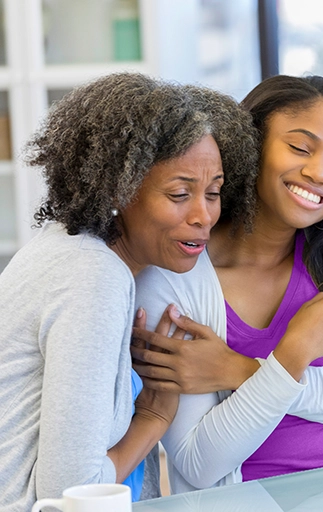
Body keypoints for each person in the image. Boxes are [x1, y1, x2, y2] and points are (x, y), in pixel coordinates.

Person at [130, 75, 323, 493]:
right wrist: (293, 354)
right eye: (299, 148)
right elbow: (197, 462)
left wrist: (238, 368)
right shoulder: (173, 278)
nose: (317, 173)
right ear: (250, 144)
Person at [0, 72, 261, 512]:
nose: (204, 216)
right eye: (180, 193)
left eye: (213, 192)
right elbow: (69, 493)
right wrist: (153, 418)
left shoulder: (68, 245)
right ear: (118, 188)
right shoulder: (93, 274)